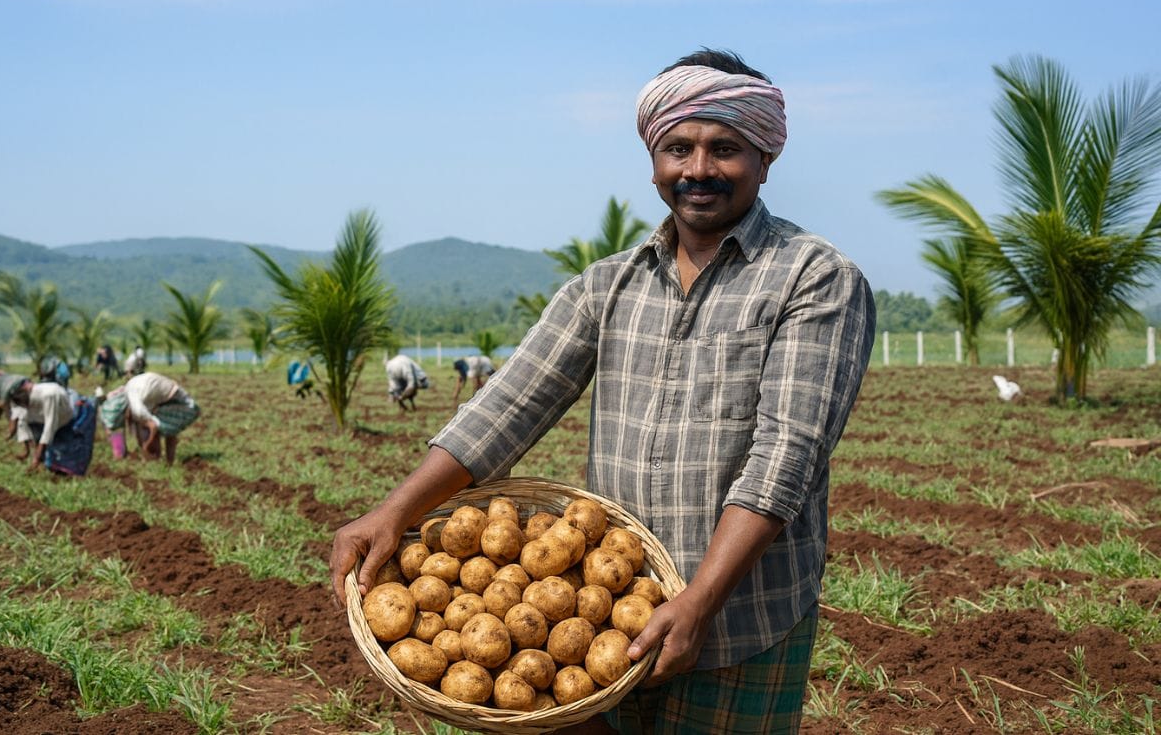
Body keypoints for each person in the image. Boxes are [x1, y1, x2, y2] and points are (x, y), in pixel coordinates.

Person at [330, 49, 875, 733]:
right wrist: (392, 510)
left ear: (766, 157)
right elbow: (508, 404)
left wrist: (700, 601)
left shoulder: (815, 279)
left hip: (740, 619)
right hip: (593, 618)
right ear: (653, 159)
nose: (698, 169)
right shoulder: (607, 284)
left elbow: (785, 457)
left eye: (725, 148)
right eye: (678, 147)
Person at [113, 372, 199, 466]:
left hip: (170, 395)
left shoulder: (138, 409)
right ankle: (165, 460)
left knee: (168, 428)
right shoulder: (132, 394)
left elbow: (153, 427)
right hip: (159, 388)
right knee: (162, 428)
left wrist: (147, 445)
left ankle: (162, 459)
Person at [8, 379, 75, 473]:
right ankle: (41, 461)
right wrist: (26, 451)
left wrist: (37, 455)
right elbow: (21, 421)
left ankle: (44, 460)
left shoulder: (49, 395)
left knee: (60, 446)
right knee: (37, 437)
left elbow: (50, 424)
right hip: (40, 417)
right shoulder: (17, 401)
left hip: (62, 416)